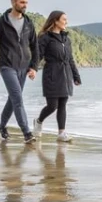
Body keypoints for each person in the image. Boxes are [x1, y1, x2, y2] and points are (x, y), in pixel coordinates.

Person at [0, 0, 39, 143]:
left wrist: (34, 67)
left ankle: (2, 126)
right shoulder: (1, 22)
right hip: (7, 66)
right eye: (22, 2)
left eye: (26, 2)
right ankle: (27, 133)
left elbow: (35, 46)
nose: (25, 5)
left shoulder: (29, 23)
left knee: (13, 99)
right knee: (17, 98)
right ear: (13, 2)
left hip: (24, 67)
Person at [32, 10, 81, 142]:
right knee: (52, 105)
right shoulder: (45, 38)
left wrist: (76, 76)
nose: (66, 22)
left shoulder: (66, 39)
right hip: (52, 73)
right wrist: (33, 68)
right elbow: (38, 55)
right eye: (64, 19)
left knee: (63, 104)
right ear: (55, 21)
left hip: (66, 74)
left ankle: (61, 133)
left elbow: (70, 59)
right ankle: (38, 121)